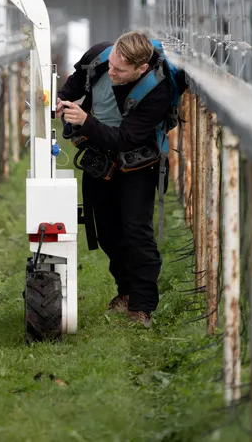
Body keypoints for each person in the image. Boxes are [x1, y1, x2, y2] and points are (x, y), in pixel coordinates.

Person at [55, 30, 174, 330]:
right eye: (111, 64)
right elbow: (72, 86)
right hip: (100, 158)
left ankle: (143, 306)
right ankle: (125, 291)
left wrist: (86, 121)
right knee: (107, 232)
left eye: (119, 71)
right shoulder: (99, 57)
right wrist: (61, 102)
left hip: (138, 164)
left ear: (140, 69)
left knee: (136, 232)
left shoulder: (157, 90)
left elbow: (125, 138)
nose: (111, 72)